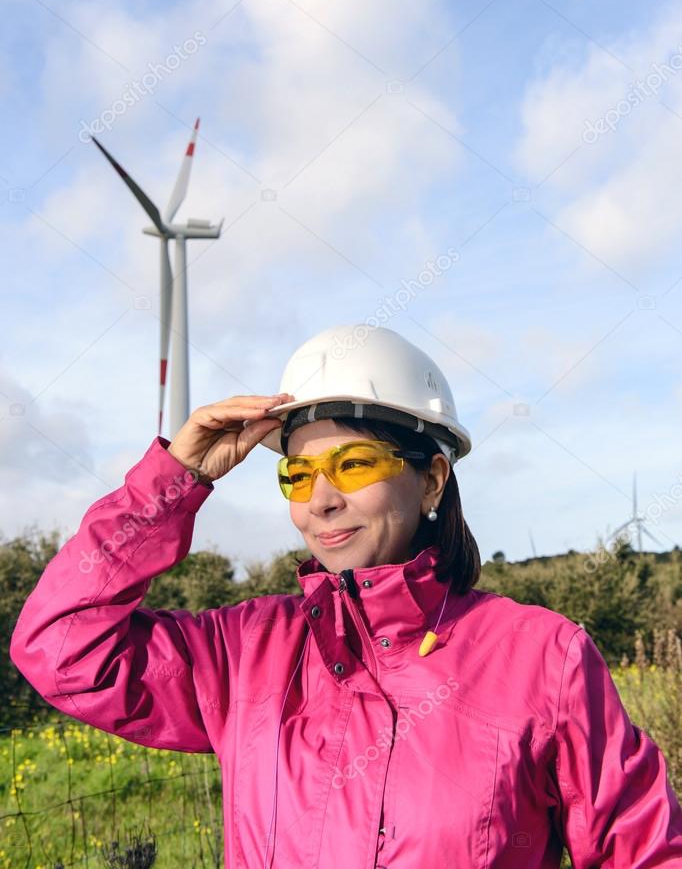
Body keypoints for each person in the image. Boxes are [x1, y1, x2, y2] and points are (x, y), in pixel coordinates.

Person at [10, 323, 682, 868]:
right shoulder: (244, 651)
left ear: (431, 481)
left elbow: (647, 851)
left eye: (353, 464)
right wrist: (173, 480)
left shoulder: (543, 657)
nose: (322, 500)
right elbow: (60, 646)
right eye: (297, 475)